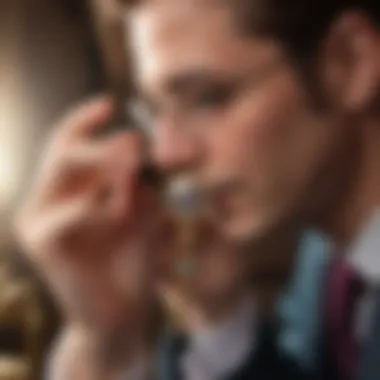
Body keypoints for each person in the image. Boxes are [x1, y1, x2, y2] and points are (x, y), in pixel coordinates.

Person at [14, 0, 380, 378]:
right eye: (155, 110)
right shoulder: (325, 254)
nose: (165, 154)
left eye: (208, 97)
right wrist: (214, 316)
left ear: (350, 62)